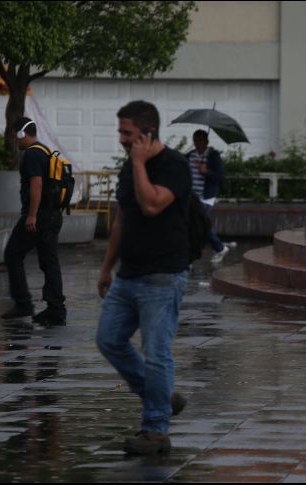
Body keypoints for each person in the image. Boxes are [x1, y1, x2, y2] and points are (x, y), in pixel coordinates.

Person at [96, 101, 191, 455]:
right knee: (108, 340)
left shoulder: (174, 166)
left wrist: (139, 163)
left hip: (163, 277)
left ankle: (155, 431)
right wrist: (107, 268)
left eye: (128, 133)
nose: (121, 139)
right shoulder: (127, 168)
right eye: (121, 132)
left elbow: (151, 204)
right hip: (128, 275)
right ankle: (163, 397)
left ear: (148, 133)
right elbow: (122, 219)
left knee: (157, 353)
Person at [1, 117, 67, 325]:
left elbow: (36, 185)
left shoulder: (31, 154)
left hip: (39, 217)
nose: (15, 140)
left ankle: (23, 303)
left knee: (12, 253)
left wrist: (31, 215)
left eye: (15, 135)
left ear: (22, 133)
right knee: (49, 262)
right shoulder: (45, 151)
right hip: (53, 215)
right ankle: (56, 309)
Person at [184, 129, 235, 264]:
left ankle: (219, 248)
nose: (198, 143)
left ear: (207, 141)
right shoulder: (190, 155)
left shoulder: (213, 156)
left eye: (201, 141)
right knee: (194, 224)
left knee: (201, 224)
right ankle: (215, 248)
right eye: (196, 141)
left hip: (206, 197)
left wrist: (207, 172)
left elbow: (220, 177)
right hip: (192, 197)